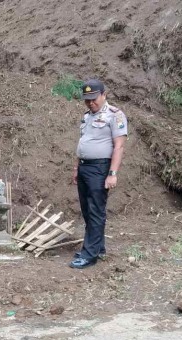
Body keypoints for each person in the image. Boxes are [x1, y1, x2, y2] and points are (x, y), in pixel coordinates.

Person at [70, 79, 128, 269]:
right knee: (87, 210)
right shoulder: (86, 116)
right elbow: (83, 142)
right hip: (85, 167)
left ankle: (89, 255)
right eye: (87, 99)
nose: (90, 103)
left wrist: (112, 173)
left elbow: (119, 146)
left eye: (94, 99)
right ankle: (97, 247)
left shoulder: (115, 115)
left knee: (96, 210)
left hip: (100, 168)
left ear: (104, 95)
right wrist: (77, 167)